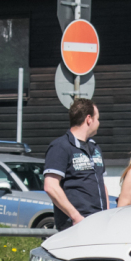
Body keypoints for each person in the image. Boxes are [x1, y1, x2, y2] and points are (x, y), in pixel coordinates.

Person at [43, 98, 107, 230]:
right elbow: (50, 186)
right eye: (98, 118)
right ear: (89, 119)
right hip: (76, 224)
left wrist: (106, 214)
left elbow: (101, 183)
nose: (99, 123)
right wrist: (76, 217)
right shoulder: (60, 146)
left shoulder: (95, 147)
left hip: (99, 222)